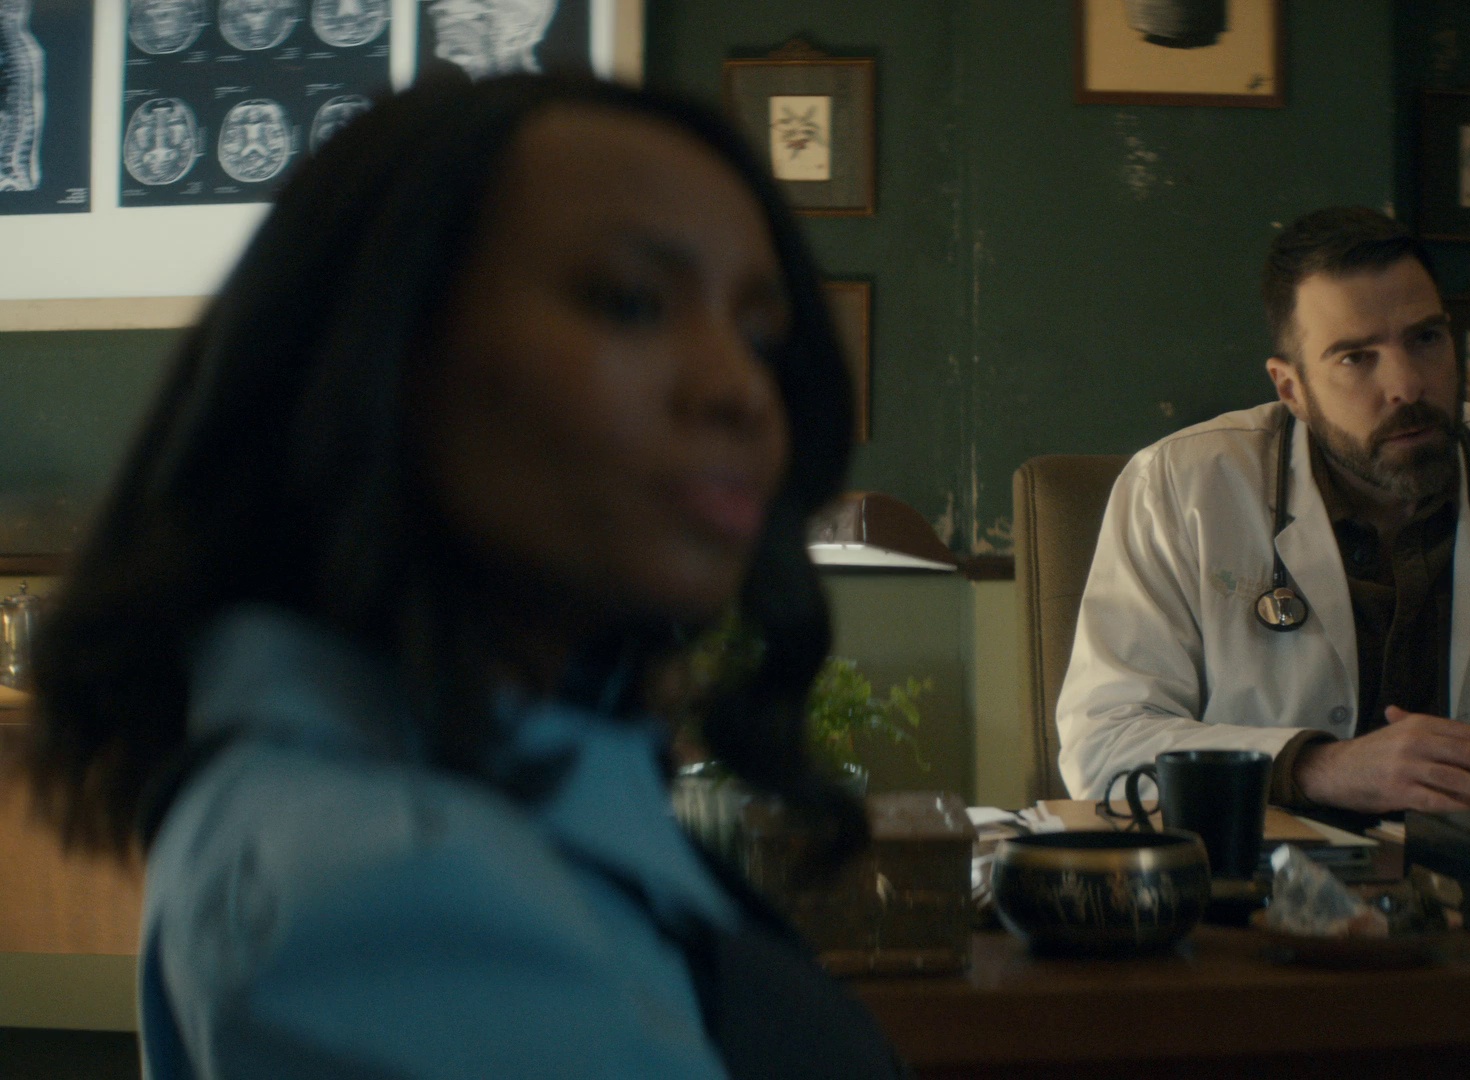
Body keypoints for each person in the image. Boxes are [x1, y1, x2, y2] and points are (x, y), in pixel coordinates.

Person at [21, 75, 905, 1078]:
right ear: (379, 346)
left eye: (760, 336)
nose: (740, 389)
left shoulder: (464, 768)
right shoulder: (390, 884)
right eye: (631, 302)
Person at [1056, 207, 1470, 814]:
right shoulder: (1179, 487)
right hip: (1265, 870)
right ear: (1291, 389)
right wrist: (1322, 769)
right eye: (1356, 357)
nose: (1407, 385)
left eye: (1426, 338)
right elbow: (1105, 742)